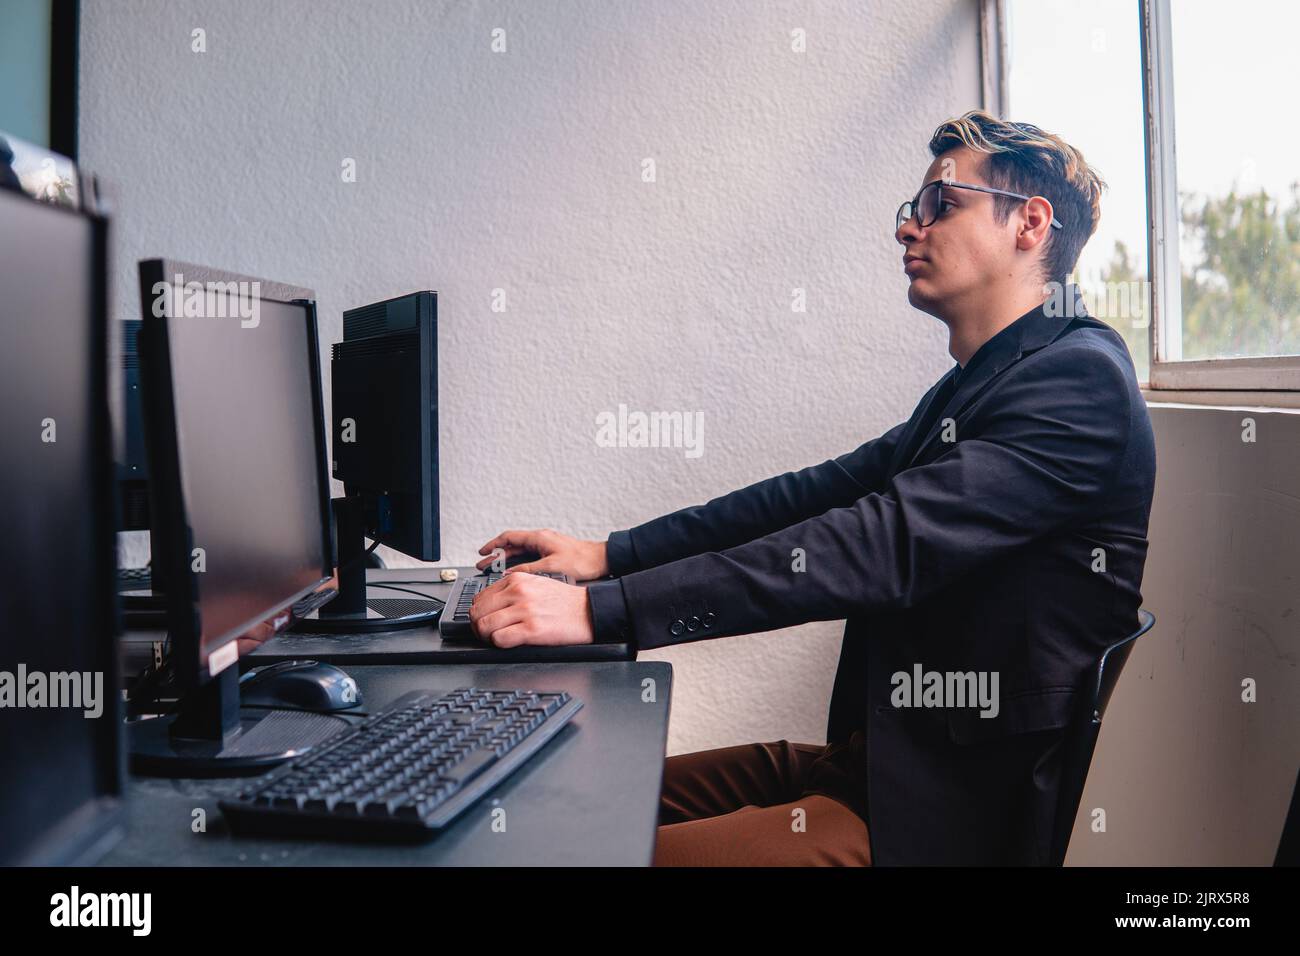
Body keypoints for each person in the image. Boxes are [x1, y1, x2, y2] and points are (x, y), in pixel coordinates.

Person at [465, 109, 1156, 866]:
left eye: (940, 205)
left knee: (580, 855)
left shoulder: (1079, 380)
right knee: (551, 798)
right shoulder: (980, 384)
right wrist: (609, 555)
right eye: (910, 211)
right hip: (875, 766)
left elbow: (874, 546)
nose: (908, 229)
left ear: (1029, 223)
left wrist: (598, 611)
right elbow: (813, 497)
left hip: (939, 814)